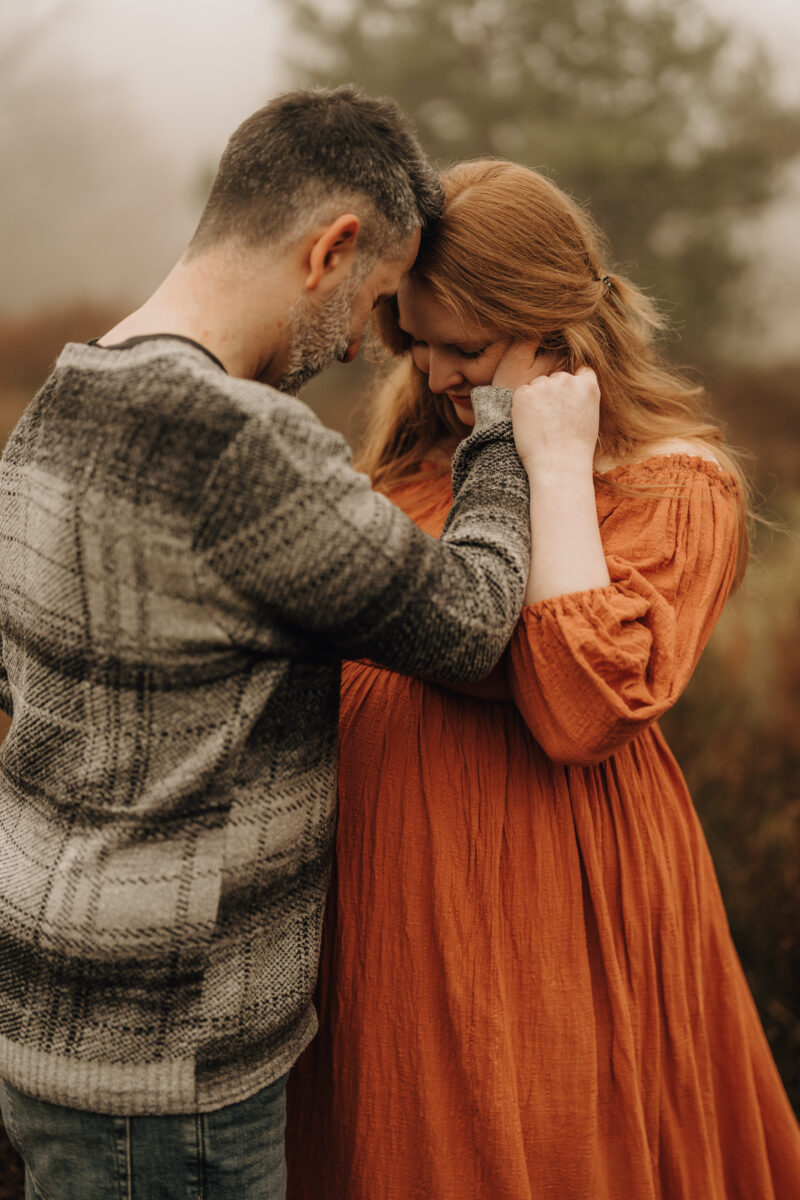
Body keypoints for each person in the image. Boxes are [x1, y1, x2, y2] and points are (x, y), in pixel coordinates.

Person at [0, 92, 546, 1200]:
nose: (359, 342)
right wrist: (502, 426)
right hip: (176, 1069)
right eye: (376, 300)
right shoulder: (242, 446)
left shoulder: (59, 402)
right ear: (333, 249)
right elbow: (476, 618)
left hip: (49, 1023)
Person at [285, 159, 800, 1199]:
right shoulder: (408, 465)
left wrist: (553, 462)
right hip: (375, 906)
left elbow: (581, 706)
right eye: (415, 343)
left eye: (465, 350)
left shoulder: (669, 485)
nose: (432, 375)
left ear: (557, 332)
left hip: (537, 902)